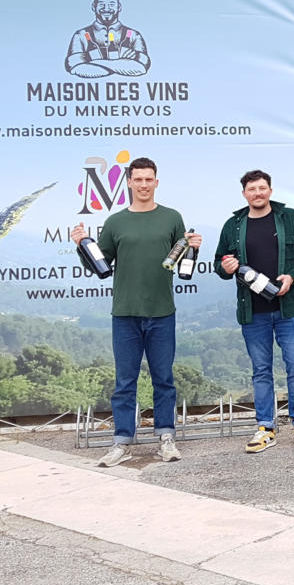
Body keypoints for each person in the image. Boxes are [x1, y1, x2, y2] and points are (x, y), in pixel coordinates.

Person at [70, 157, 200, 467]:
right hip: (125, 314)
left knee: (163, 379)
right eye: (138, 179)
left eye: (148, 179)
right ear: (129, 182)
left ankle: (166, 439)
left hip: (162, 312)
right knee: (124, 382)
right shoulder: (116, 222)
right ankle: (122, 443)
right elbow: (100, 265)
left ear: (157, 182)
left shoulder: (172, 218)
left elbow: (184, 263)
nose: (143, 185)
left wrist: (196, 246)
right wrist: (80, 245)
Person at [214, 170, 294, 452]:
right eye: (251, 189)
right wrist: (225, 267)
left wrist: (292, 276)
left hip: (289, 309)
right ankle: (265, 428)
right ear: (244, 193)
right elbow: (219, 263)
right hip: (253, 312)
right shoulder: (233, 225)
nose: (257, 193)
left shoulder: (290, 218)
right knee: (261, 371)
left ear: (270, 190)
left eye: (262, 188)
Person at [65, 0, 150, 78]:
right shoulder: (81, 35)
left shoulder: (132, 34)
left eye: (111, 4)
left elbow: (142, 65)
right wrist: (122, 63)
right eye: (101, 4)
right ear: (94, 7)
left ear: (119, 7)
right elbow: (72, 65)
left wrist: (91, 60)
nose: (106, 9)